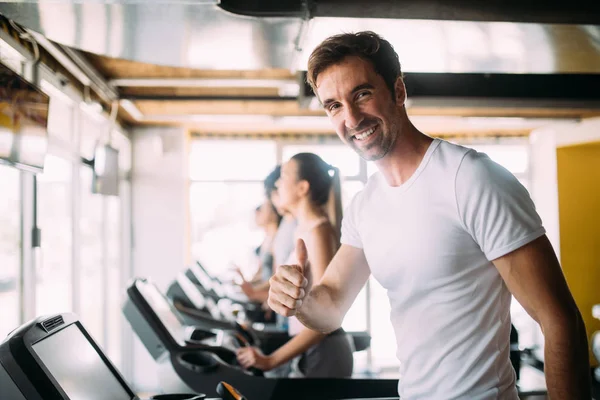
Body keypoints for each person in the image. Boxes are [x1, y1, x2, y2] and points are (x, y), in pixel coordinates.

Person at [267, 31, 591, 399]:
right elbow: (331, 308)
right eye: (334, 106)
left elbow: (559, 320)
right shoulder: (366, 206)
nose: (352, 117)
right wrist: (301, 301)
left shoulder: (470, 178)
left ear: (398, 91)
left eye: (362, 94)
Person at [236, 153, 354, 378]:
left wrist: (270, 360)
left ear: (302, 188)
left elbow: (325, 318)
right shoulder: (302, 228)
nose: (278, 184)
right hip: (308, 347)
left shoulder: (318, 230)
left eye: (284, 176)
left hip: (324, 350)